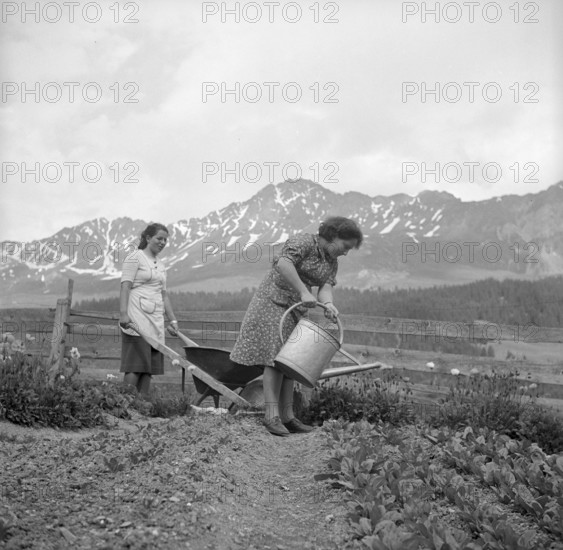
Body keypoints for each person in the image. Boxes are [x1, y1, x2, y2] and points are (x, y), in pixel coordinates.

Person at [230, 216, 363, 436]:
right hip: (272, 301)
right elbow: (283, 264)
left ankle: (287, 416)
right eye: (345, 246)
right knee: (274, 359)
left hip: (296, 308)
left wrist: (328, 304)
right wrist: (303, 290)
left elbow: (326, 287)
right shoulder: (303, 242)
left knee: (291, 360)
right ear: (332, 236)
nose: (346, 252)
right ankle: (271, 416)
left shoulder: (331, 261)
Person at [118, 223, 178, 395]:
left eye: (165, 240)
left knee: (148, 367)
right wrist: (123, 314)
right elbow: (125, 286)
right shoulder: (135, 257)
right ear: (147, 238)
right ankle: (126, 404)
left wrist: (172, 320)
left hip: (155, 320)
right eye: (159, 238)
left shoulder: (161, 265)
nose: (162, 242)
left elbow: (164, 295)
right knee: (135, 365)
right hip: (136, 317)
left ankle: (141, 407)